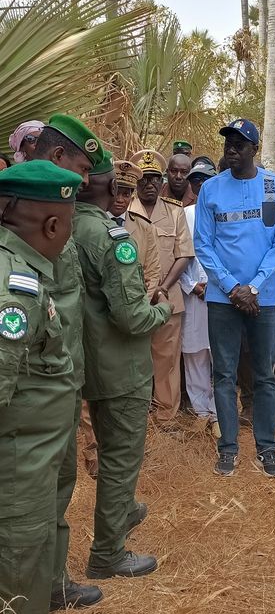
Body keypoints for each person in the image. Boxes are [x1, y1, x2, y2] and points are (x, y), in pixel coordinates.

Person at [74, 151, 173, 579]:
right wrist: (162, 312)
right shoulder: (111, 238)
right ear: (107, 186)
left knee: (113, 451)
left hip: (88, 361)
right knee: (120, 458)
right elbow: (132, 317)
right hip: (121, 367)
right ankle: (108, 554)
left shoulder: (67, 225)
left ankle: (123, 510)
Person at [0, 161, 83, 614]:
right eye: (68, 225)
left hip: (26, 462)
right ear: (53, 225)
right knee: (18, 594)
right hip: (17, 475)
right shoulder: (17, 289)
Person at [34, 114, 105, 611]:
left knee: (59, 485)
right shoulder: (23, 213)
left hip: (63, 380)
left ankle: (53, 582)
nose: (86, 181)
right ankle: (30, 593)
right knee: (32, 495)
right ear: (57, 158)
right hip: (35, 387)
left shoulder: (57, 210)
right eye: (81, 169)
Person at [194, 118, 275, 478]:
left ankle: (267, 449)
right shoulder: (211, 190)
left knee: (264, 374)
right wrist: (233, 286)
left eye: (239, 145)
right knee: (224, 374)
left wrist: (254, 286)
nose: (231, 151)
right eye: (227, 145)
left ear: (254, 149)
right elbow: (203, 244)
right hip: (223, 299)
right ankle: (229, 448)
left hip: (263, 299)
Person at [129, 150, 194, 427]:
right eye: (144, 179)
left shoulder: (175, 212)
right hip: (132, 301)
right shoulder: (124, 210)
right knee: (134, 359)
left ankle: (166, 416)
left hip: (168, 298)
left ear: (162, 179)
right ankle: (136, 413)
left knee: (166, 360)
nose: (150, 184)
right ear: (135, 181)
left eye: (155, 178)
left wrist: (163, 288)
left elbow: (184, 254)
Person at [180, 161, 219, 431]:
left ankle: (219, 413)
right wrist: (192, 285)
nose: (200, 184)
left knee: (220, 354)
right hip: (193, 294)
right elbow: (177, 255)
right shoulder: (183, 215)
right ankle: (201, 411)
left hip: (220, 294)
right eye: (196, 180)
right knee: (194, 353)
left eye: (206, 179)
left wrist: (216, 284)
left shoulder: (224, 213)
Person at [109, 158, 161, 299]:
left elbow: (153, 272)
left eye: (126, 194)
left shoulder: (144, 227)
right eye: (116, 193)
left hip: (138, 305)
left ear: (132, 196)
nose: (120, 199)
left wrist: (142, 306)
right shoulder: (95, 223)